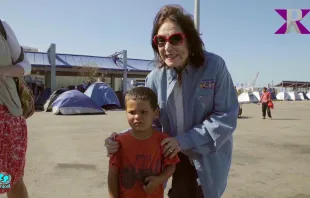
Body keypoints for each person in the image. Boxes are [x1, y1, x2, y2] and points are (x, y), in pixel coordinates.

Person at [105, 4, 239, 198]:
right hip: (171, 159)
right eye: (160, 41)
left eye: (175, 38)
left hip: (208, 156)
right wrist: (120, 140)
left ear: (190, 40)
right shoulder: (154, 78)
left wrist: (183, 141)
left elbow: (225, 117)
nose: (167, 47)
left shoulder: (215, 67)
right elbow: (150, 121)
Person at [108, 87, 180, 198]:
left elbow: (171, 166)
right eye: (132, 112)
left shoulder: (163, 140)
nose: (137, 117)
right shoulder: (119, 142)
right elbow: (112, 175)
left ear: (155, 113)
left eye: (143, 112)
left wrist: (158, 180)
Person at [0, 19, 31, 198]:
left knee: (10, 178)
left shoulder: (2, 28)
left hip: (6, 116)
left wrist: (4, 71)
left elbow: (25, 66)